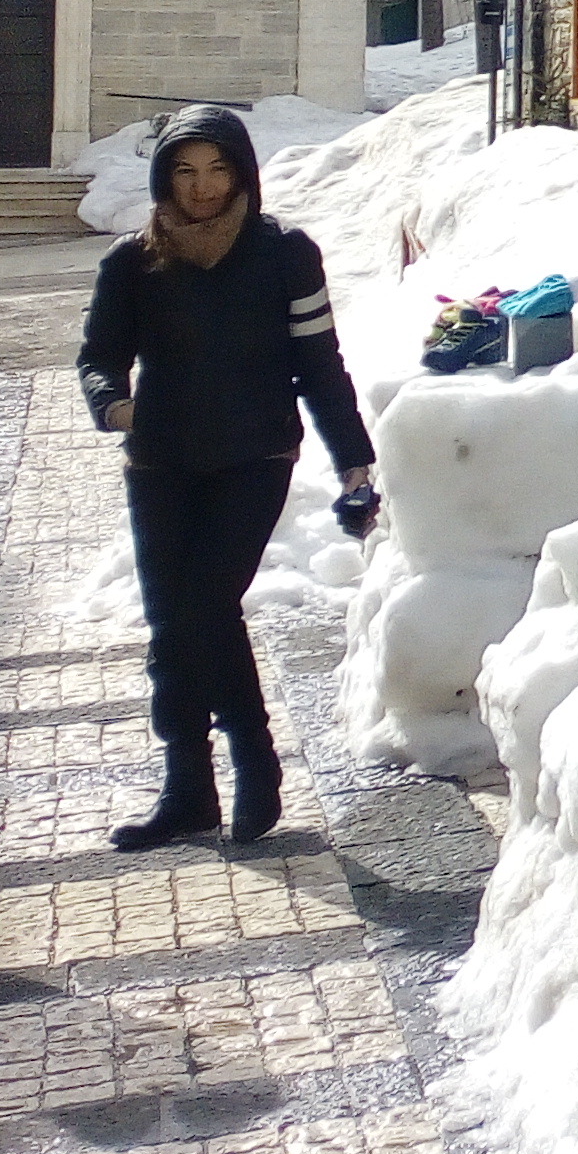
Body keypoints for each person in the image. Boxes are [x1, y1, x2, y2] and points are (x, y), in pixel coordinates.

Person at [74, 107, 374, 849]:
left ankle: (255, 756)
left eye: (216, 169)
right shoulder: (132, 262)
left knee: (206, 608)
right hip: (161, 464)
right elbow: (98, 357)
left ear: (241, 172)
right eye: (185, 170)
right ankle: (188, 789)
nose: (202, 187)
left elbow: (320, 363)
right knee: (171, 622)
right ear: (163, 178)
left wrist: (353, 460)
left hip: (255, 456)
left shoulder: (285, 255)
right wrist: (113, 408)